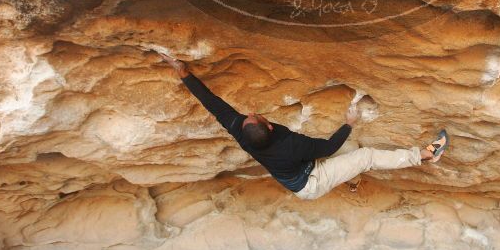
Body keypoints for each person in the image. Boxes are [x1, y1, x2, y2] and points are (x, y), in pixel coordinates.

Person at [159, 52, 449, 200]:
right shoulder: (291, 146)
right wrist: (349, 123)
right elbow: (328, 147)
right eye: (256, 116)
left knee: (351, 150)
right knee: (365, 156)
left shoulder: (243, 133)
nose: (250, 112)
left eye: (248, 116)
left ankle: (350, 179)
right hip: (310, 184)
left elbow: (212, 102)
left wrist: (183, 72)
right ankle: (424, 155)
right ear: (268, 127)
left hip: (301, 168)